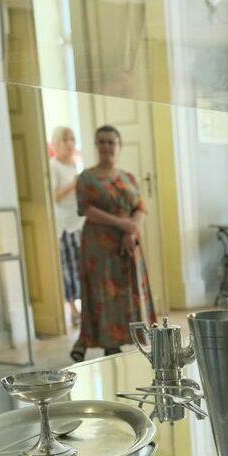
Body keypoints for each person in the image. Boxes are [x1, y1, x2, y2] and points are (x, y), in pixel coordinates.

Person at [69, 124, 154, 362]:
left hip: (128, 243)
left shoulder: (128, 177)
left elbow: (140, 207)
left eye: (111, 142)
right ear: (96, 145)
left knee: (129, 288)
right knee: (103, 291)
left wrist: (130, 230)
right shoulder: (86, 178)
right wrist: (122, 224)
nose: (106, 146)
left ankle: (134, 337)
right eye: (102, 141)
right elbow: (86, 209)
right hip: (99, 245)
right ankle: (108, 343)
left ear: (119, 145)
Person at [49, 126, 84, 326]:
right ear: (56, 144)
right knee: (69, 267)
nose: (70, 144)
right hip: (64, 225)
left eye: (72, 139)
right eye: (65, 140)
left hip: (79, 222)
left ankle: (85, 308)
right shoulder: (53, 166)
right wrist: (73, 185)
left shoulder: (74, 164)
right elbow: (54, 196)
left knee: (82, 266)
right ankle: (73, 311)